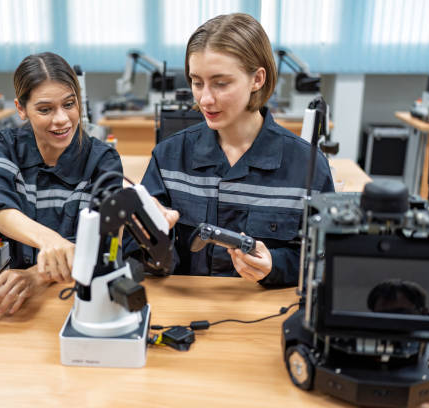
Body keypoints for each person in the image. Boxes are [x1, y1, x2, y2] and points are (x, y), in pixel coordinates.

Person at [134, 13, 334, 286]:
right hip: (183, 315)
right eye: (196, 82)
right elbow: (136, 257)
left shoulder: (308, 166)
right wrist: (151, 237)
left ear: (257, 79)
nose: (205, 99)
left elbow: (324, 261)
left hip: (262, 317)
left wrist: (276, 265)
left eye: (221, 83)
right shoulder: (168, 158)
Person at [0, 52, 122, 315]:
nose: (61, 119)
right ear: (21, 109)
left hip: (75, 301)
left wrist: (37, 275)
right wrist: (52, 241)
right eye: (45, 109)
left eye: (69, 104)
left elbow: (105, 245)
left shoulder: (102, 160)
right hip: (7, 302)